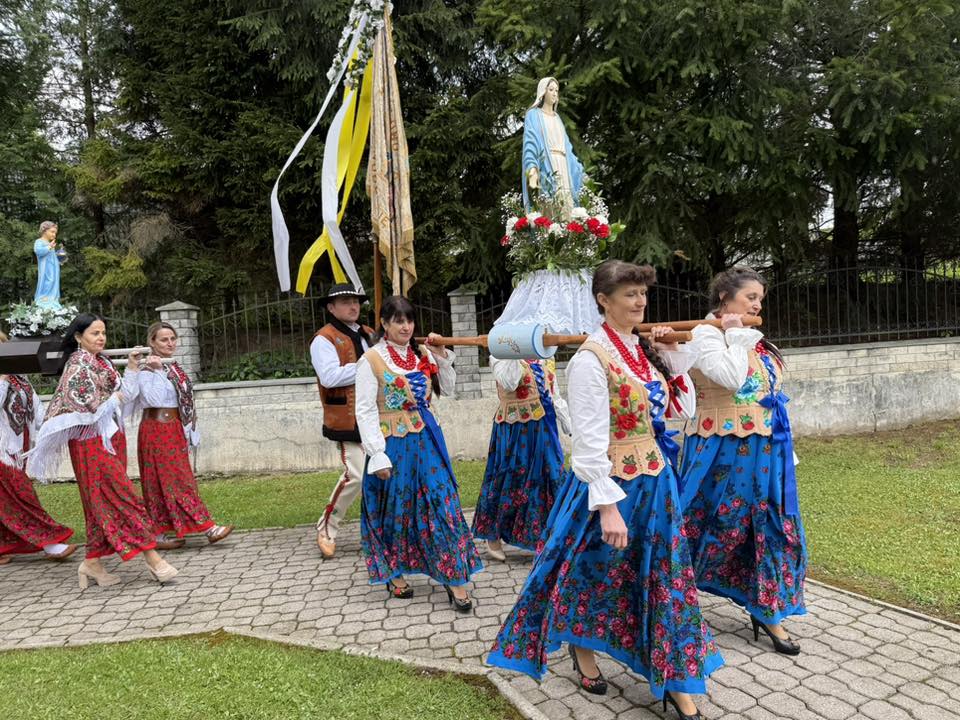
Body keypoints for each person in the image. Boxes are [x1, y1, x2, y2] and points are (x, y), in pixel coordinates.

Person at [488, 261, 722, 720]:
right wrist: (608, 507)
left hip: (655, 485)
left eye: (643, 293)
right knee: (591, 570)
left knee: (664, 577)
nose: (640, 301)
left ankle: (675, 679)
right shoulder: (589, 359)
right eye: (629, 293)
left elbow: (680, 410)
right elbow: (588, 443)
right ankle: (583, 650)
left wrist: (674, 356)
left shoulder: (643, 350)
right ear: (603, 299)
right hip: (609, 486)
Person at [680, 266, 807, 655]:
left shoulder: (752, 338)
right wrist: (735, 335)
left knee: (769, 528)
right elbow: (731, 378)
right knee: (711, 525)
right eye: (750, 297)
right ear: (724, 297)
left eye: (760, 299)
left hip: (765, 451)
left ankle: (766, 609)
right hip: (720, 452)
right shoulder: (705, 334)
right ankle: (667, 598)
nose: (757, 305)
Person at [25, 313, 178, 587]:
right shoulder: (77, 364)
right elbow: (86, 406)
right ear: (78, 337)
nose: (101, 338)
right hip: (90, 443)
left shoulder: (102, 362)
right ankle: (154, 559)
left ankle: (92, 562)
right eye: (95, 333)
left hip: (109, 438)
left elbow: (126, 395)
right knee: (123, 497)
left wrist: (132, 368)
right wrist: (114, 398)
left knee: (100, 502)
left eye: (103, 333)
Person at [354, 295, 482, 610]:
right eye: (398, 321)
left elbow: (448, 389)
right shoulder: (371, 360)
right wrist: (376, 453)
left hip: (427, 442)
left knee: (442, 502)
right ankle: (395, 572)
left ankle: (454, 576)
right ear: (384, 323)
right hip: (392, 445)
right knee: (396, 508)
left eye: (409, 320)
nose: (406, 327)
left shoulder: (422, 354)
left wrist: (442, 356)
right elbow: (365, 410)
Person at [126, 321, 233, 550]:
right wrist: (155, 371)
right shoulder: (147, 370)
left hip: (173, 427)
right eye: (164, 339)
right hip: (156, 428)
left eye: (173, 339)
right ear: (152, 342)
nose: (170, 343)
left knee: (177, 479)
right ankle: (207, 528)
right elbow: (153, 400)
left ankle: (163, 530)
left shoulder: (172, 366)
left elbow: (184, 399)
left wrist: (188, 428)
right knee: (172, 480)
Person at [471, 356, 569, 561]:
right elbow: (510, 382)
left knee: (552, 477)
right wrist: (514, 350)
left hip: (544, 428)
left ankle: (551, 537)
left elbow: (553, 394)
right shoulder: (499, 356)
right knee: (508, 479)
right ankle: (493, 536)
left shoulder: (545, 357)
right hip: (514, 430)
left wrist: (568, 422)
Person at [310, 283, 375, 559]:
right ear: (331, 307)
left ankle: (376, 531)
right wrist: (367, 365)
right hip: (347, 417)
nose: (353, 306)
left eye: (356, 301)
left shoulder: (369, 333)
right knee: (356, 475)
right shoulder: (323, 339)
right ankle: (326, 527)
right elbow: (329, 377)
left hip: (376, 414)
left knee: (380, 474)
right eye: (346, 301)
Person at [0, 331, 77, 564]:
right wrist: (2, 380)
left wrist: (52, 426)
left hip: (17, 447)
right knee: (22, 496)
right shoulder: (5, 378)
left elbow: (35, 407)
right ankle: (51, 542)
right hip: (2, 450)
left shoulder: (19, 376)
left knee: (6, 500)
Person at [522, 76, 585, 218]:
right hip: (547, 165)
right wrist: (532, 168)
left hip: (564, 166)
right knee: (549, 208)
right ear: (543, 92)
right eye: (551, 89)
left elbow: (567, 149)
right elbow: (530, 143)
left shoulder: (557, 118)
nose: (555, 93)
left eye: (557, 90)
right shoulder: (533, 114)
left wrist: (580, 171)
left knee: (567, 208)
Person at [33, 221, 62, 308]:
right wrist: (49, 247)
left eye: (55, 233)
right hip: (46, 269)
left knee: (54, 282)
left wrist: (60, 259)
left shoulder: (50, 244)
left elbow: (52, 257)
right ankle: (44, 299)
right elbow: (38, 251)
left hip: (54, 268)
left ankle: (52, 300)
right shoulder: (39, 241)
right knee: (48, 281)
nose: (54, 235)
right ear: (44, 231)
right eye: (52, 232)